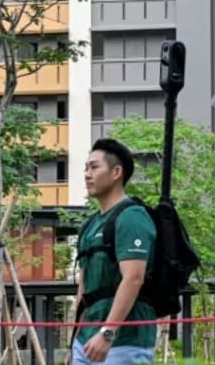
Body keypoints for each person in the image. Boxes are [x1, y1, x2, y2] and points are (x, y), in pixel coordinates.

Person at [72, 139, 157, 365]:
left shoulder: (132, 217)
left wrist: (107, 333)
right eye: (86, 168)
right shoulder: (89, 225)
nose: (87, 174)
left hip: (125, 341)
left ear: (116, 172)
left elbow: (134, 278)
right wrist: (75, 336)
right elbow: (84, 285)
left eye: (94, 167)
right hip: (85, 341)